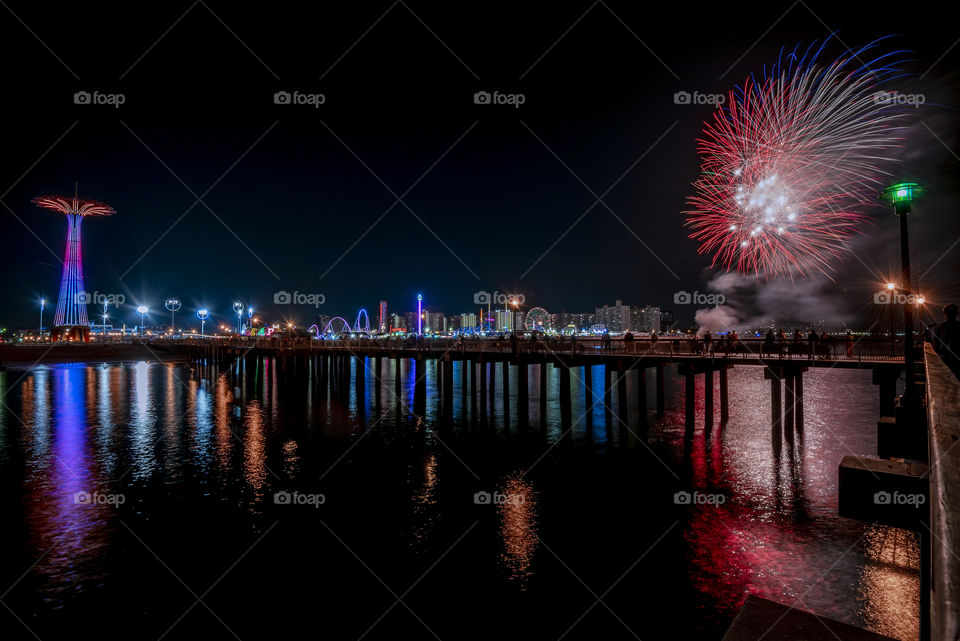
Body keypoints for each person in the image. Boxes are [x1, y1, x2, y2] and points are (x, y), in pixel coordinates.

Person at [930, 303, 960, 379]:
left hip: (944, 361)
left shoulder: (937, 328)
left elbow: (935, 347)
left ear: (944, 313)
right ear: (957, 313)